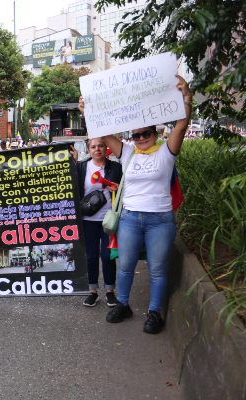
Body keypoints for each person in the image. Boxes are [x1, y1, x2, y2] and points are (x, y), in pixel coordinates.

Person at [78, 75, 192, 334]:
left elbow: (182, 124)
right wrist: (88, 112)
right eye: (136, 134)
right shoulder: (127, 151)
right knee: (126, 266)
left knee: (158, 270)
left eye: (146, 133)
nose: (140, 138)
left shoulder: (166, 152)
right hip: (129, 218)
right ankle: (124, 305)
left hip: (160, 220)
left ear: (155, 133)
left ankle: (154, 313)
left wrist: (186, 96)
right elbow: (102, 133)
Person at [72, 137, 122, 307]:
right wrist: (75, 161)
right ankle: (92, 291)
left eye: (100, 145)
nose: (97, 149)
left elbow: (125, 189)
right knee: (91, 256)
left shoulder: (115, 167)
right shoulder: (82, 167)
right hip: (87, 221)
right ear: (89, 149)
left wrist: (117, 187)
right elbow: (72, 186)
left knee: (108, 256)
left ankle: (110, 291)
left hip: (108, 222)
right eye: (93, 146)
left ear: (106, 147)